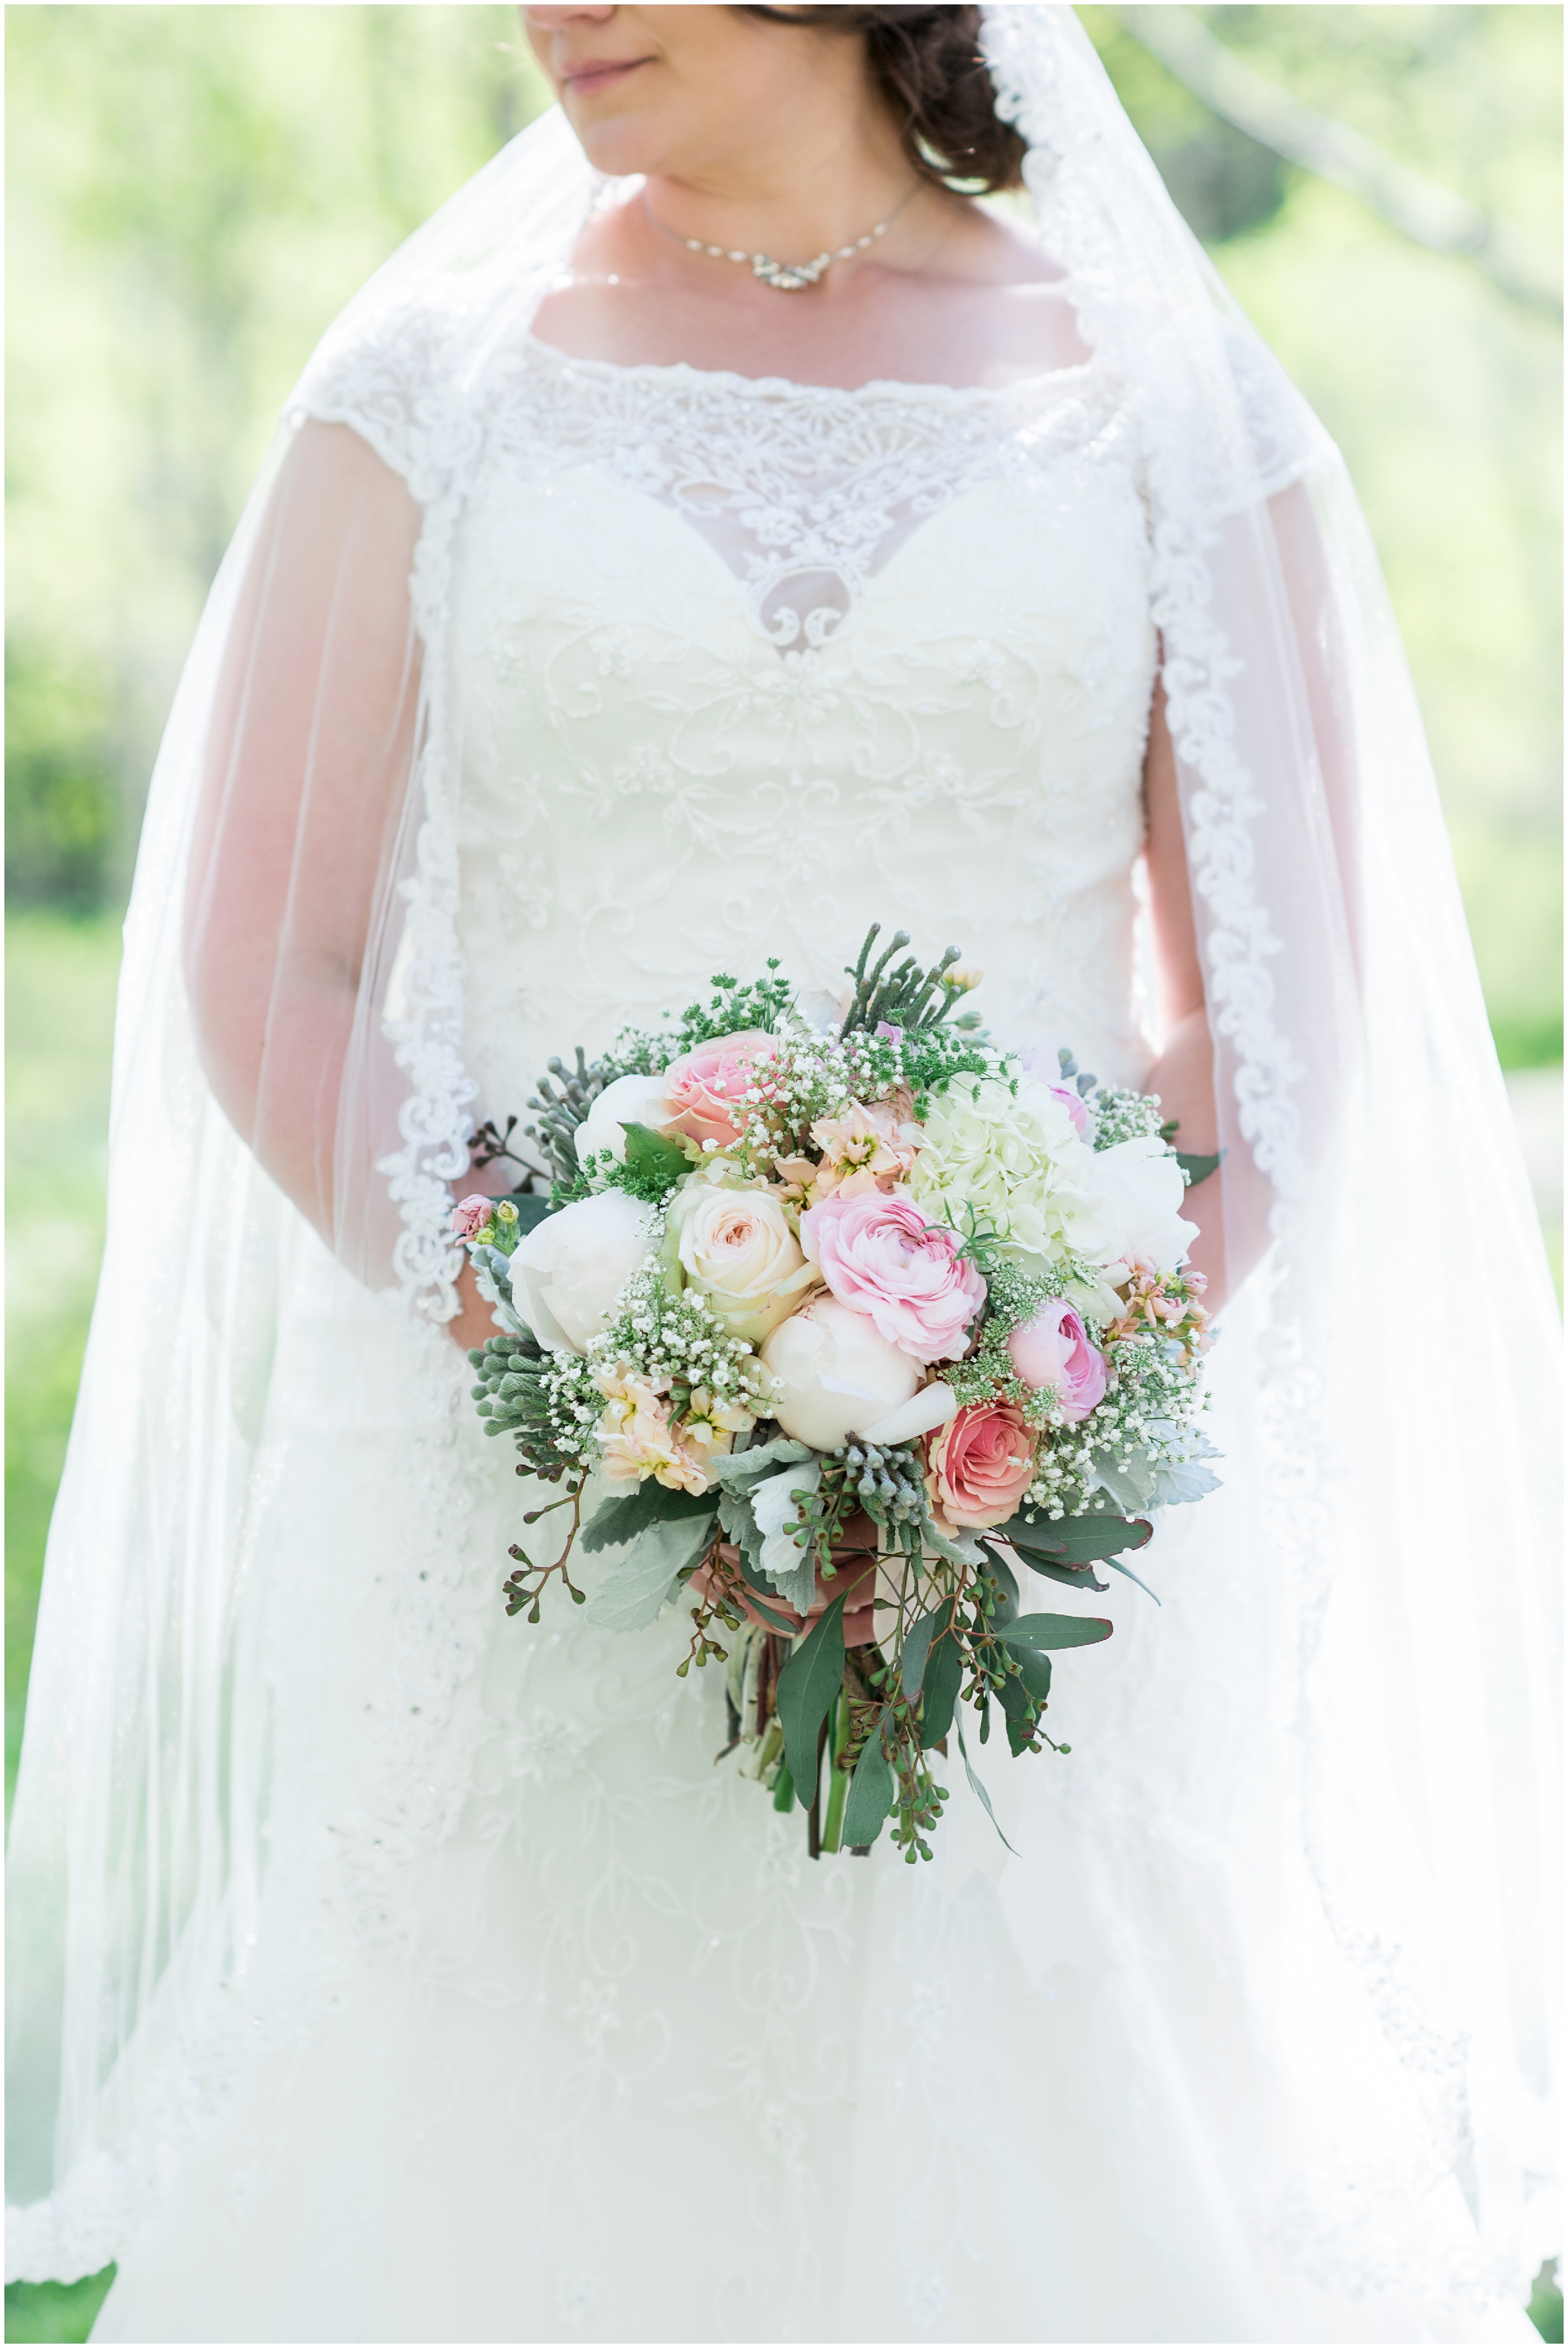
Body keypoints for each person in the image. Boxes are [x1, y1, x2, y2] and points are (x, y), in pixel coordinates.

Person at [6, 8, 1557, 2340]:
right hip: (507, 1505)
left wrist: (1004, 1407)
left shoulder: (1158, 403)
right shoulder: (431, 389)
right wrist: (613, 1359)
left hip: (1040, 1518)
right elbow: (275, 965)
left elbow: (1271, 1020)